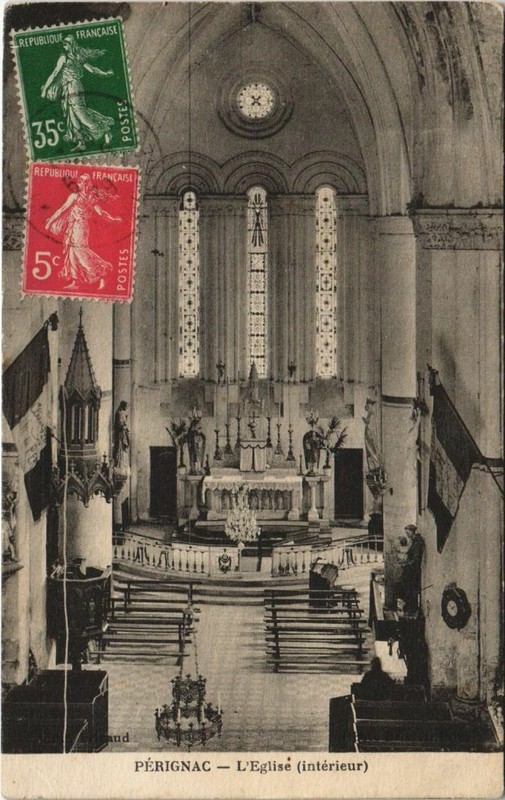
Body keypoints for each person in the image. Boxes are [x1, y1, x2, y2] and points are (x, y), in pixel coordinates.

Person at [45, 174, 121, 287]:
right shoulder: (89, 197)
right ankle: (75, 281)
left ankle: (101, 272)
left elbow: (63, 209)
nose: (79, 183)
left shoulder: (77, 196)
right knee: (72, 251)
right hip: (75, 225)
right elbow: (101, 213)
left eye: (81, 182)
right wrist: (113, 219)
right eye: (79, 181)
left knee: (79, 250)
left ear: (85, 184)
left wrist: (50, 222)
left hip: (79, 226)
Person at [41, 34, 114, 152]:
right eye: (63, 43)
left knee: (80, 113)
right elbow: (56, 73)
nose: (64, 45)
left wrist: (45, 90)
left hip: (74, 87)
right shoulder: (69, 57)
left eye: (66, 43)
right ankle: (81, 142)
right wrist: (104, 73)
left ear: (71, 45)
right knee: (72, 115)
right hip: (68, 88)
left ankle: (106, 132)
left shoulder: (68, 58)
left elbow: (90, 69)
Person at [402, 524, 424, 613]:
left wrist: (407, 564)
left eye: (408, 533)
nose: (407, 535)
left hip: (413, 571)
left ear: (412, 532)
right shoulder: (414, 541)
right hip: (411, 570)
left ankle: (411, 609)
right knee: (408, 589)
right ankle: (409, 607)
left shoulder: (417, 543)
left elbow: (416, 559)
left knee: (411, 589)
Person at [113, 401, 130, 469]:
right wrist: (124, 426)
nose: (126, 407)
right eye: (126, 406)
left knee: (123, 449)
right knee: (120, 447)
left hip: (123, 433)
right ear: (123, 406)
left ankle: (122, 463)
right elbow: (120, 424)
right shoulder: (119, 413)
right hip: (120, 434)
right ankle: (119, 463)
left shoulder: (122, 413)